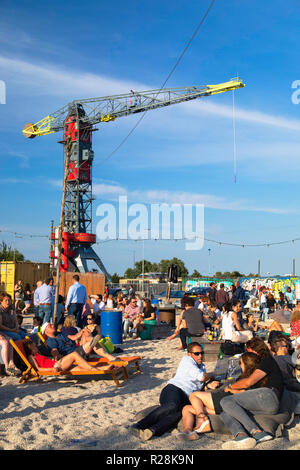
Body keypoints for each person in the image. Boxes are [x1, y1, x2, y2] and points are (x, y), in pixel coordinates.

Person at [132, 343, 211, 441]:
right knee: (172, 405)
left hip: (185, 397)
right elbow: (202, 377)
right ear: (189, 354)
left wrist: (207, 385)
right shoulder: (187, 360)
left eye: (201, 353)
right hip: (174, 389)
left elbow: (199, 385)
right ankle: (140, 425)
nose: (200, 356)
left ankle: (153, 430)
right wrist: (213, 374)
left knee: (177, 414)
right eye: (197, 353)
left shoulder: (202, 367)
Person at [179, 352, 263, 440]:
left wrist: (230, 389)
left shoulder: (251, 379)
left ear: (246, 364)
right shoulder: (246, 376)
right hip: (223, 404)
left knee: (194, 395)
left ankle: (202, 419)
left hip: (226, 401)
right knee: (187, 408)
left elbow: (244, 393)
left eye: (240, 363)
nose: (239, 365)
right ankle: (188, 431)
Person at [220, 336, 284, 449]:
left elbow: (248, 383)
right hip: (264, 404)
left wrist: (230, 387)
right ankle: (241, 436)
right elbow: (246, 390)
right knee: (226, 411)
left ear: (255, 350)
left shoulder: (267, 361)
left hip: (269, 396)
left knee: (225, 401)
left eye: (248, 352)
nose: (247, 355)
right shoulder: (259, 366)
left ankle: (256, 431)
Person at [23, 339, 114, 373]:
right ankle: (94, 369)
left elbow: (46, 362)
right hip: (56, 366)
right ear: (30, 349)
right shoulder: (31, 357)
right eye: (34, 346)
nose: (36, 347)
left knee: (80, 368)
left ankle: (104, 368)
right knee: (74, 354)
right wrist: (52, 369)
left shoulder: (37, 354)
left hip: (57, 363)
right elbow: (38, 369)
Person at [43, 322, 115, 362]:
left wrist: (83, 330)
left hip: (77, 349)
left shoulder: (60, 334)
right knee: (91, 342)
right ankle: (93, 344)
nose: (53, 326)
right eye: (50, 326)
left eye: (52, 324)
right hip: (73, 354)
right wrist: (59, 357)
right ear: (46, 331)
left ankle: (92, 342)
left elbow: (74, 337)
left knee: (85, 334)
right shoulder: (50, 341)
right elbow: (55, 353)